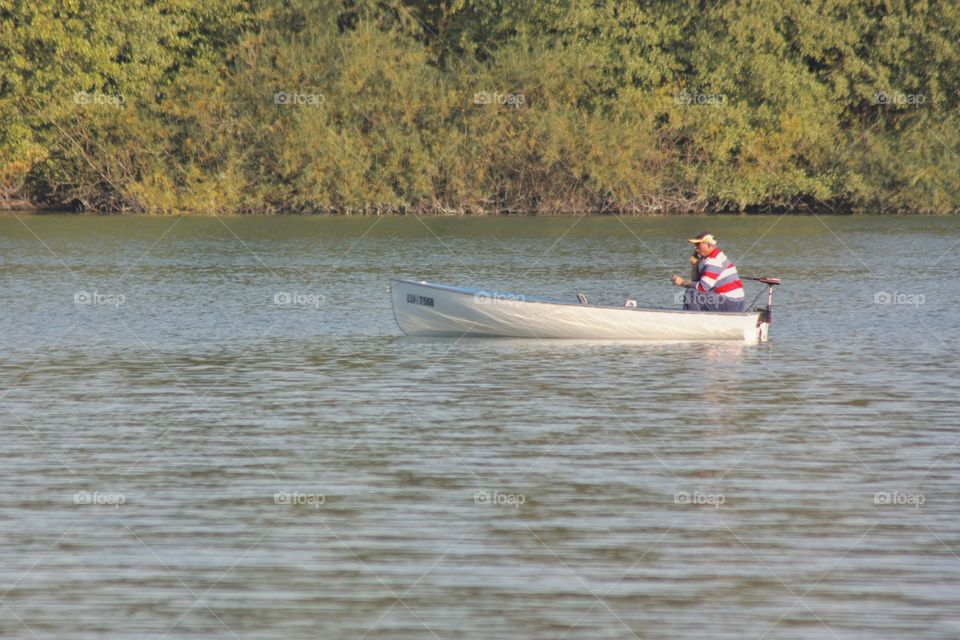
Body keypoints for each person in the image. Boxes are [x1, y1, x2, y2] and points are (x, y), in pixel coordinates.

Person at [671, 232, 746, 311]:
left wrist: (682, 282)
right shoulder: (714, 257)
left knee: (690, 295)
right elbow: (697, 284)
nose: (695, 248)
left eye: (698, 244)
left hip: (732, 303)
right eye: (695, 245)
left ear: (708, 245)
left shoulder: (714, 261)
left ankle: (692, 320)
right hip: (735, 302)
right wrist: (695, 266)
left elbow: (702, 287)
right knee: (692, 292)